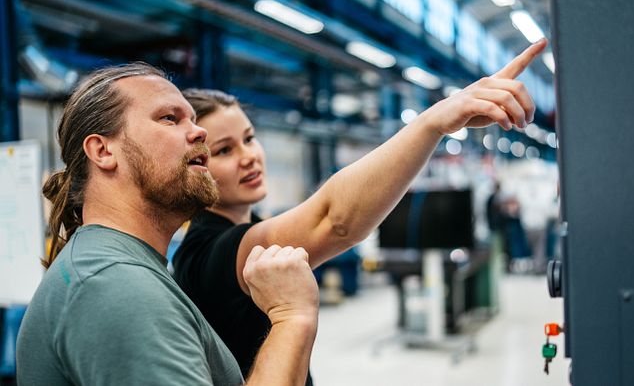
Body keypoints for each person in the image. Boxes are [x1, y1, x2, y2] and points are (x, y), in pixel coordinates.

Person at [172, 39, 549, 379]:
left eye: (250, 138)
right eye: (224, 150)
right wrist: (434, 122)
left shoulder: (250, 226)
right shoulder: (209, 253)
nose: (249, 157)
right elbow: (335, 219)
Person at [16, 63, 319, 386]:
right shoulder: (116, 288)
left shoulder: (119, 270)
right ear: (103, 151)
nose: (199, 131)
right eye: (169, 118)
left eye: (192, 118)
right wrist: (292, 317)